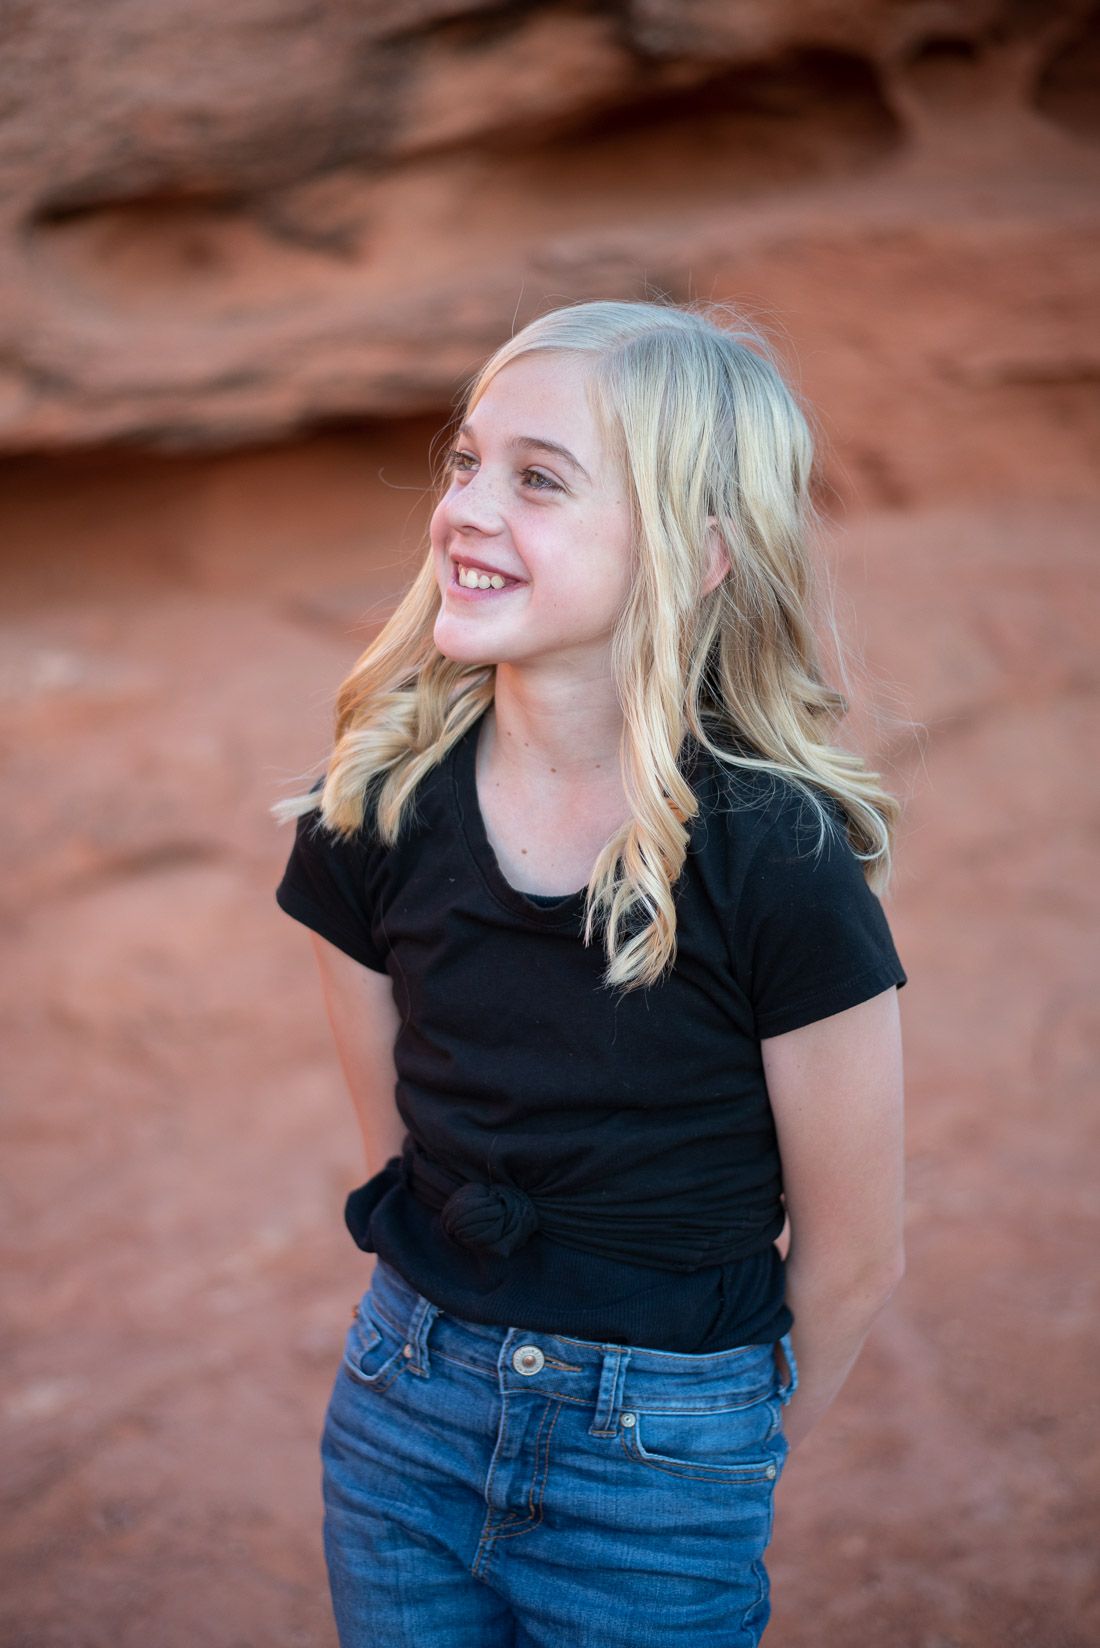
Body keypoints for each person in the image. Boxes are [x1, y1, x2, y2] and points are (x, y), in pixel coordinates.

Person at [272, 297, 908, 1647]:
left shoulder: (775, 859)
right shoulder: (373, 808)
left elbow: (854, 1253)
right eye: (465, 462)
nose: (465, 507)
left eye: (539, 479)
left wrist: (710, 1451)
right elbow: (406, 1150)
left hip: (664, 1457)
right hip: (404, 1413)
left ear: (695, 557)